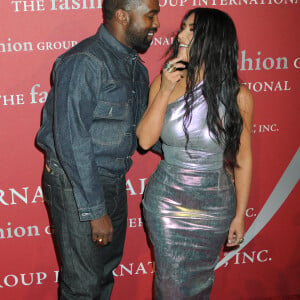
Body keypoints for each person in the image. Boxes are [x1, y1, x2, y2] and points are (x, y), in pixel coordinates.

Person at [36, 0, 160, 299]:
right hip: (75, 183)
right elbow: (71, 139)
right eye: (151, 15)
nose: (156, 24)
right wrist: (95, 210)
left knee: (104, 275)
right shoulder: (85, 61)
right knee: (83, 285)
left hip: (112, 181)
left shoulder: (135, 68)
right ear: (122, 15)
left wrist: (191, 153)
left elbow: (144, 133)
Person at [137, 8, 253, 299]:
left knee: (201, 282)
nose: (181, 35)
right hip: (167, 201)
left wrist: (239, 215)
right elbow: (145, 140)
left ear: (213, 40)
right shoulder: (166, 82)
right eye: (183, 28)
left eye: (191, 30)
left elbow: (242, 159)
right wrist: (164, 89)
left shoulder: (239, 95)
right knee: (170, 283)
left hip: (215, 203)